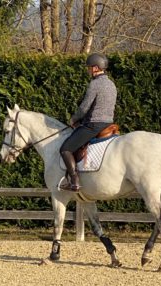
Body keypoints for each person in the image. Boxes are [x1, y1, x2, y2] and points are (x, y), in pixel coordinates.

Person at [59, 53, 117, 192]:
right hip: (108, 123)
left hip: (94, 124)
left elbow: (85, 107)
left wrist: (73, 119)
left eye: (89, 67)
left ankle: (74, 181)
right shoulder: (111, 84)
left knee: (65, 149)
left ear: (96, 68)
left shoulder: (95, 84)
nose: (88, 70)